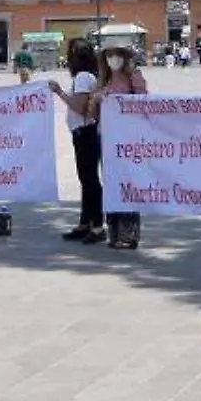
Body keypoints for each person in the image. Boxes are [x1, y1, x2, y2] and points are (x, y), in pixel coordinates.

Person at [47, 39, 103, 243]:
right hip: (87, 132)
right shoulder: (91, 75)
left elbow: (79, 107)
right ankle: (86, 222)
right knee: (86, 179)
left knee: (89, 180)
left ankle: (96, 225)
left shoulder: (81, 78)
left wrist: (59, 91)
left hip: (84, 132)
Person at [98, 44, 149, 249]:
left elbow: (144, 100)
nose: (113, 59)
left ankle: (129, 232)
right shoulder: (104, 79)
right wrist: (98, 99)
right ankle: (114, 231)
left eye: (117, 55)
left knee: (128, 182)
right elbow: (93, 109)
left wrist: (122, 101)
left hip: (127, 138)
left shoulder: (134, 75)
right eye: (109, 56)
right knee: (111, 183)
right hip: (106, 137)